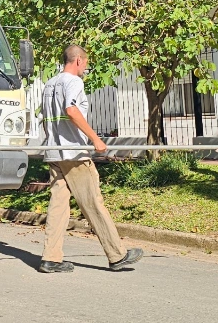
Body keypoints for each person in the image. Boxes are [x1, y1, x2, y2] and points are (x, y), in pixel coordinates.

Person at [38, 44, 144, 274]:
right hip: (74, 153)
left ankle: (51, 258)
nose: (86, 68)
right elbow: (71, 110)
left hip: (55, 152)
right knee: (93, 202)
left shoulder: (49, 84)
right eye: (86, 63)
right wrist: (95, 139)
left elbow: (46, 117)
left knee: (58, 206)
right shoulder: (73, 82)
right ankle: (117, 255)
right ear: (78, 61)